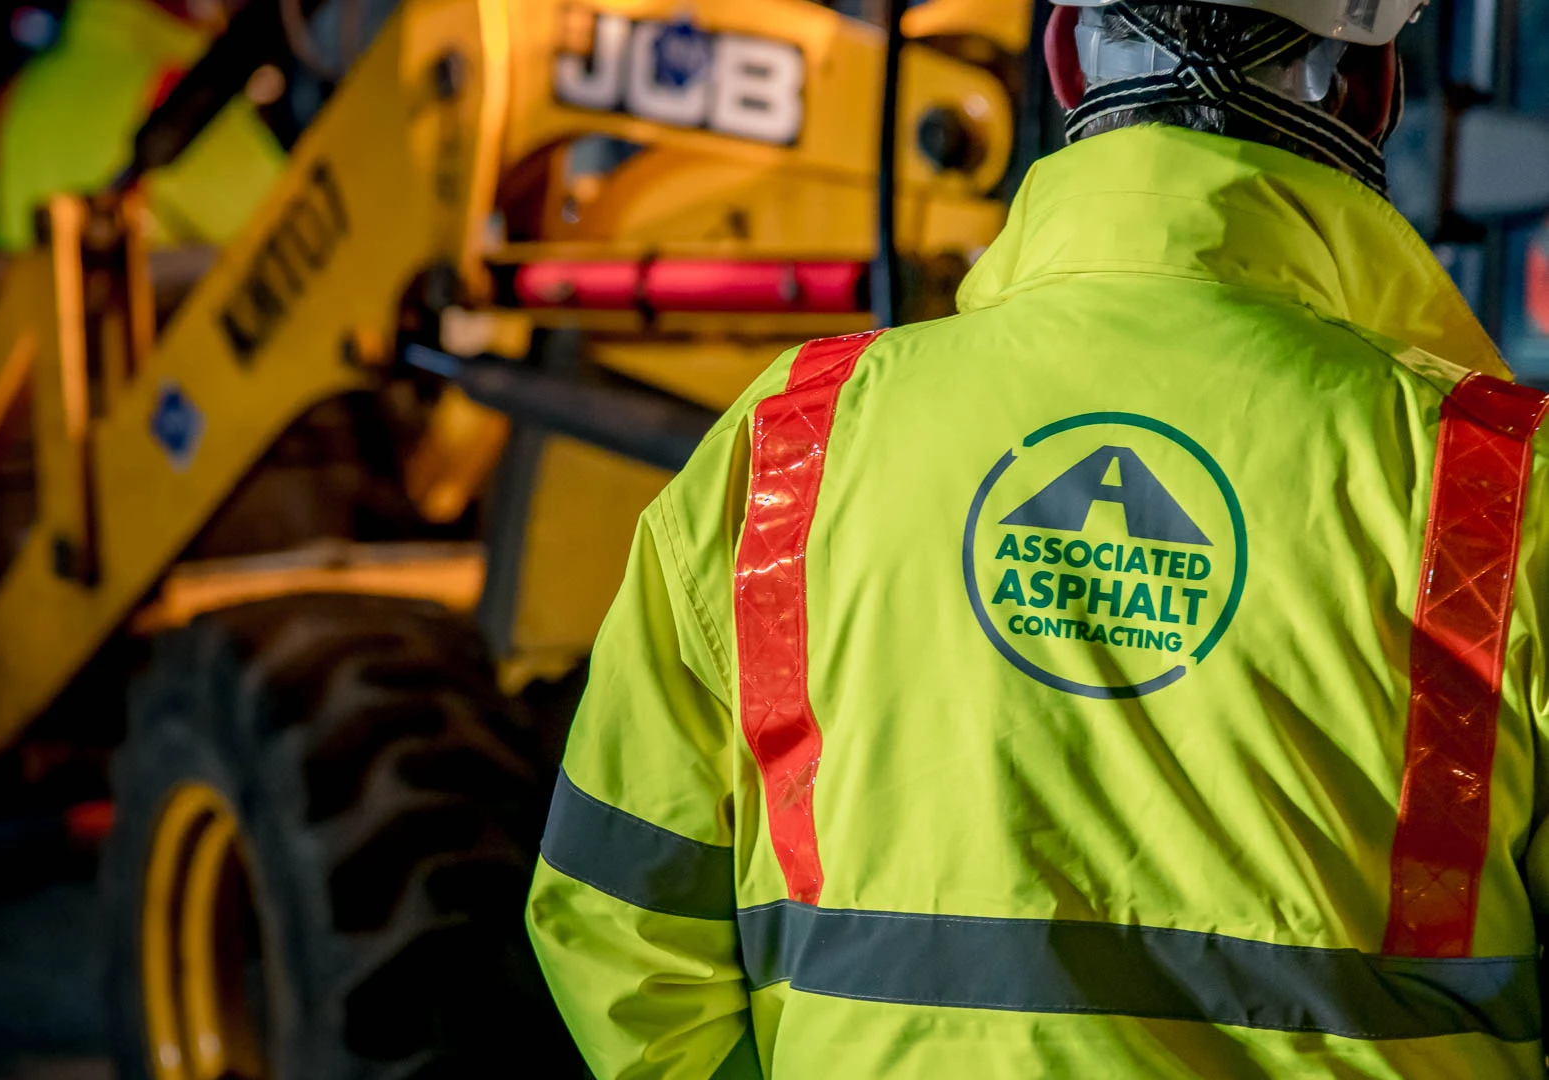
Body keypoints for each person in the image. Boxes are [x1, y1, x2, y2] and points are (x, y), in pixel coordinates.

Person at [526, 0, 1549, 1073]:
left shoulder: (790, 446)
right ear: (1372, 90)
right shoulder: (1500, 494)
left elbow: (619, 918)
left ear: (1063, 54)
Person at [0, 0, 283, 250]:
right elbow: (288, 224)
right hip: (161, 322)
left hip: (30, 319)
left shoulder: (11, 100)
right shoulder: (179, 94)